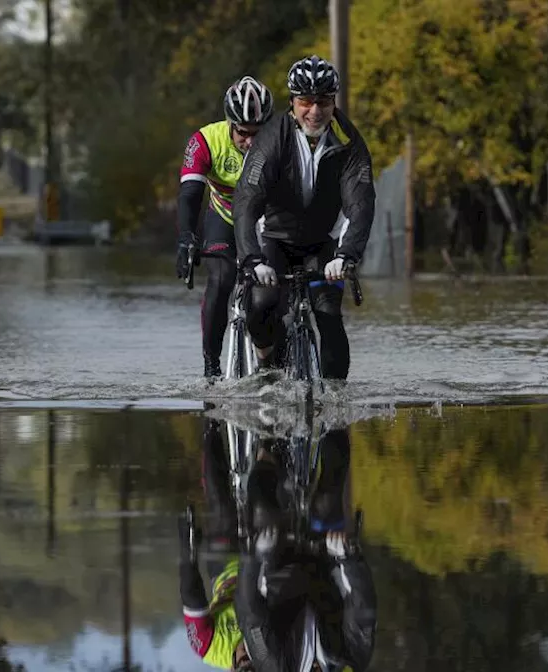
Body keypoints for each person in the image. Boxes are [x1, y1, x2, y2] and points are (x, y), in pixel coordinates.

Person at [232, 55, 376, 380]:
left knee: (328, 313)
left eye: (323, 102)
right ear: (293, 102)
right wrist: (252, 259)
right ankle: (266, 360)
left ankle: (336, 410)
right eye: (306, 102)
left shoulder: (349, 142)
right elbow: (247, 200)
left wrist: (346, 254)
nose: (314, 111)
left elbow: (361, 203)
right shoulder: (271, 138)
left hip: (324, 243)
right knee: (264, 302)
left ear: (334, 101)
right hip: (275, 239)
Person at [233, 427, 378, 672]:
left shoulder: (272, 663)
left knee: (261, 504)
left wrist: (254, 557)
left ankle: (266, 443)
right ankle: (336, 412)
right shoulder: (350, 661)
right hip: (324, 562)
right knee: (328, 494)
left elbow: (251, 613)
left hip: (277, 569)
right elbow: (363, 608)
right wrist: (348, 558)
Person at [177, 75, 276, 378]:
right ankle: (212, 367)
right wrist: (186, 238)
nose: (250, 142)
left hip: (266, 220)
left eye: (258, 134)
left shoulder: (281, 142)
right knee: (221, 280)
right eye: (244, 133)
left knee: (274, 289)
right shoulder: (206, 141)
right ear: (230, 124)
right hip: (225, 217)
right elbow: (191, 194)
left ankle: (274, 357)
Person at [179, 417, 250, 670]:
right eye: (255, 665)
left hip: (227, 564)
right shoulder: (274, 655)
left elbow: (191, 595)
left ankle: (211, 419)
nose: (248, 654)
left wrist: (188, 554)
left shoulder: (208, 648)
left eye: (244, 662)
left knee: (220, 502)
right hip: (265, 562)